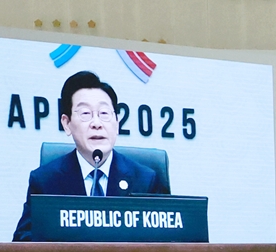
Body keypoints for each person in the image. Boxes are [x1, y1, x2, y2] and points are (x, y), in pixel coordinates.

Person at [12, 70, 170, 241]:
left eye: (104, 114)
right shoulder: (46, 181)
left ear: (117, 123)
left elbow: (165, 241)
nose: (96, 124)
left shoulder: (146, 180)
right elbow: (24, 241)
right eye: (86, 114)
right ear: (67, 124)